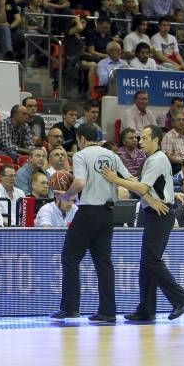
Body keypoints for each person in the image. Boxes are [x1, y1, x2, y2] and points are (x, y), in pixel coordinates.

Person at [102, 125, 184, 322]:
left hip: (160, 213)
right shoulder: (152, 159)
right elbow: (149, 188)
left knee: (151, 260)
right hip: (155, 211)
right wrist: (151, 199)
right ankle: (146, 309)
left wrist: (115, 179)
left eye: (144, 138)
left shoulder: (157, 159)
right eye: (139, 138)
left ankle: (181, 298)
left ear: (156, 140)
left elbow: (142, 187)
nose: (140, 141)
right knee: (146, 264)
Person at [51, 122, 129, 324]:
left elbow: (80, 183)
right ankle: (108, 312)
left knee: (69, 258)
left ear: (82, 139)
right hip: (108, 213)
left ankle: (70, 308)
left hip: (87, 212)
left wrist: (67, 195)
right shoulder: (112, 155)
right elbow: (128, 179)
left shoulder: (81, 155)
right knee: (104, 263)